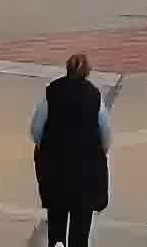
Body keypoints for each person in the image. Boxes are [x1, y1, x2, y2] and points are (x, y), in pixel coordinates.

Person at [32, 53, 110, 247]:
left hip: (56, 167)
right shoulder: (94, 96)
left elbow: (36, 129)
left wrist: (45, 148)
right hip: (85, 170)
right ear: (87, 72)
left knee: (57, 216)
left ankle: (57, 243)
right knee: (81, 225)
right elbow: (105, 133)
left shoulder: (52, 92)